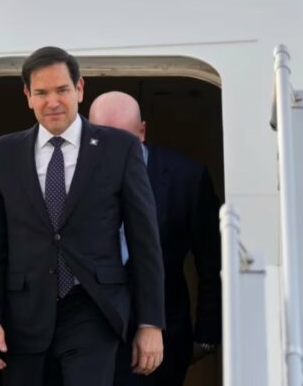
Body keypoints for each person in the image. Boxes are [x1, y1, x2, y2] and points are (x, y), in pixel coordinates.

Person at [0, 47, 165, 386]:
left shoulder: (120, 148)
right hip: (23, 317)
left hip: (93, 310)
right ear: (27, 95)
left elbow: (144, 239)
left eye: (62, 90)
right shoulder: (1, 154)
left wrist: (151, 324)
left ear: (79, 89)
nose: (53, 102)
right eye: (42, 93)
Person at [89, 91, 222, 386]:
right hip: (90, 339)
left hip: (163, 339)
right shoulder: (72, 175)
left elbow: (211, 262)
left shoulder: (187, 178)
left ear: (142, 132)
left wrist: (207, 335)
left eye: (123, 140)